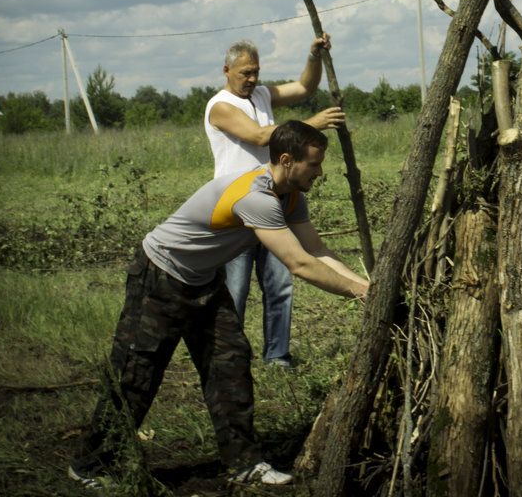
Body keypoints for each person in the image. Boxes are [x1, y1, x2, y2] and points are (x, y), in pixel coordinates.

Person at [69, 121, 370, 489]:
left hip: (206, 281)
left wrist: (368, 287)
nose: (321, 172)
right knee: (135, 375)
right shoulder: (255, 197)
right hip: (160, 277)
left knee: (230, 366)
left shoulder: (291, 195)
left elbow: (318, 250)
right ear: (287, 160)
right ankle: (89, 467)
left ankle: (244, 464)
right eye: (315, 164)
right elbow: (300, 264)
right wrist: (360, 295)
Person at [205, 36, 345, 368]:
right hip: (236, 210)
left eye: (255, 72)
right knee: (235, 291)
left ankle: (278, 357)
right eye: (245, 73)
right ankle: (230, 359)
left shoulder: (262, 94)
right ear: (227, 70)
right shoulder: (220, 106)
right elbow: (255, 135)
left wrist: (314, 56)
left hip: (273, 202)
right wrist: (312, 125)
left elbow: (304, 87)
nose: (252, 79)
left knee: (280, 284)